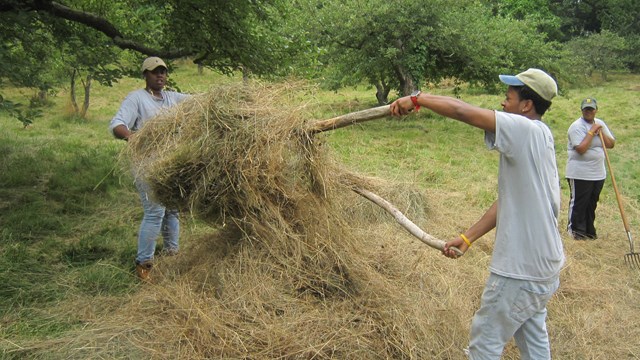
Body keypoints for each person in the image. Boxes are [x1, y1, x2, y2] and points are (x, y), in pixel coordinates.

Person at [389, 68, 565, 359]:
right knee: (533, 339)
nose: (503, 104)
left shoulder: (525, 131)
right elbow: (510, 200)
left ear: (527, 105)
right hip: (543, 268)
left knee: (485, 341)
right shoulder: (541, 137)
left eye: (508, 99)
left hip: (520, 271)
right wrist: (467, 238)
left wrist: (417, 99)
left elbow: (462, 111)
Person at [109, 56, 189, 281]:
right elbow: (117, 124)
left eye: (163, 71)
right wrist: (131, 137)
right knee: (155, 211)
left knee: (172, 208)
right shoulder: (136, 98)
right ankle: (144, 264)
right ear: (145, 74)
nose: (160, 75)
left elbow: (199, 102)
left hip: (169, 163)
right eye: (155, 72)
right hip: (146, 164)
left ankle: (172, 254)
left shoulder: (172, 98)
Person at [566, 97, 615, 240]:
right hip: (580, 173)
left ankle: (589, 231)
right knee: (579, 204)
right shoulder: (576, 127)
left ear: (596, 110)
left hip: (598, 173)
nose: (589, 112)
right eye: (586, 109)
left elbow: (611, 144)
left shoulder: (600, 123)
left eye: (591, 109)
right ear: (582, 110)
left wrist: (601, 132)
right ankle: (575, 232)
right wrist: (591, 132)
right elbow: (581, 149)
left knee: (591, 203)